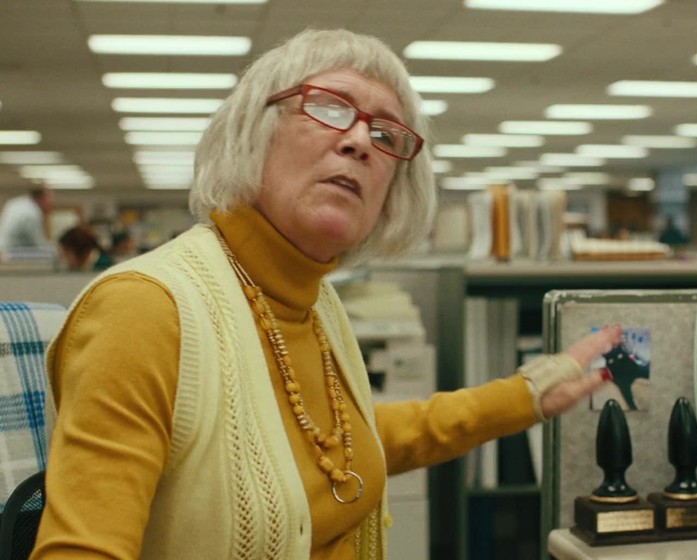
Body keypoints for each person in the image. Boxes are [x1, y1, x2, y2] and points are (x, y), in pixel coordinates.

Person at [33, 29, 624, 560]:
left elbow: (338, 446)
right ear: (256, 131)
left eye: (386, 132)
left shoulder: (317, 302)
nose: (361, 140)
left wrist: (528, 395)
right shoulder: (143, 310)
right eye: (330, 107)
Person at [0, 186, 53, 253]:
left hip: (3, 249)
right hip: (11, 253)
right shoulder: (32, 212)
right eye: (49, 199)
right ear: (42, 198)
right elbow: (38, 243)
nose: (51, 203)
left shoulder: (15, 203)